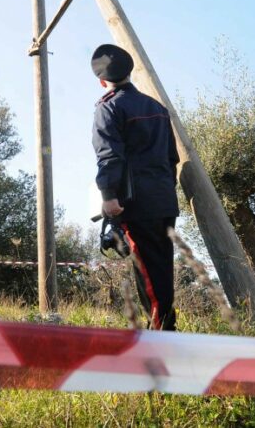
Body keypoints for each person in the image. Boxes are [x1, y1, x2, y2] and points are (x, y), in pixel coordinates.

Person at [90, 44, 180, 330]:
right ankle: (164, 329)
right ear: (129, 73)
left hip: (136, 204)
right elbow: (172, 158)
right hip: (164, 200)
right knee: (160, 269)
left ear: (102, 81)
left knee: (148, 274)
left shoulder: (108, 107)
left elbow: (109, 155)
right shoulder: (157, 108)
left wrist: (108, 196)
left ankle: (162, 334)